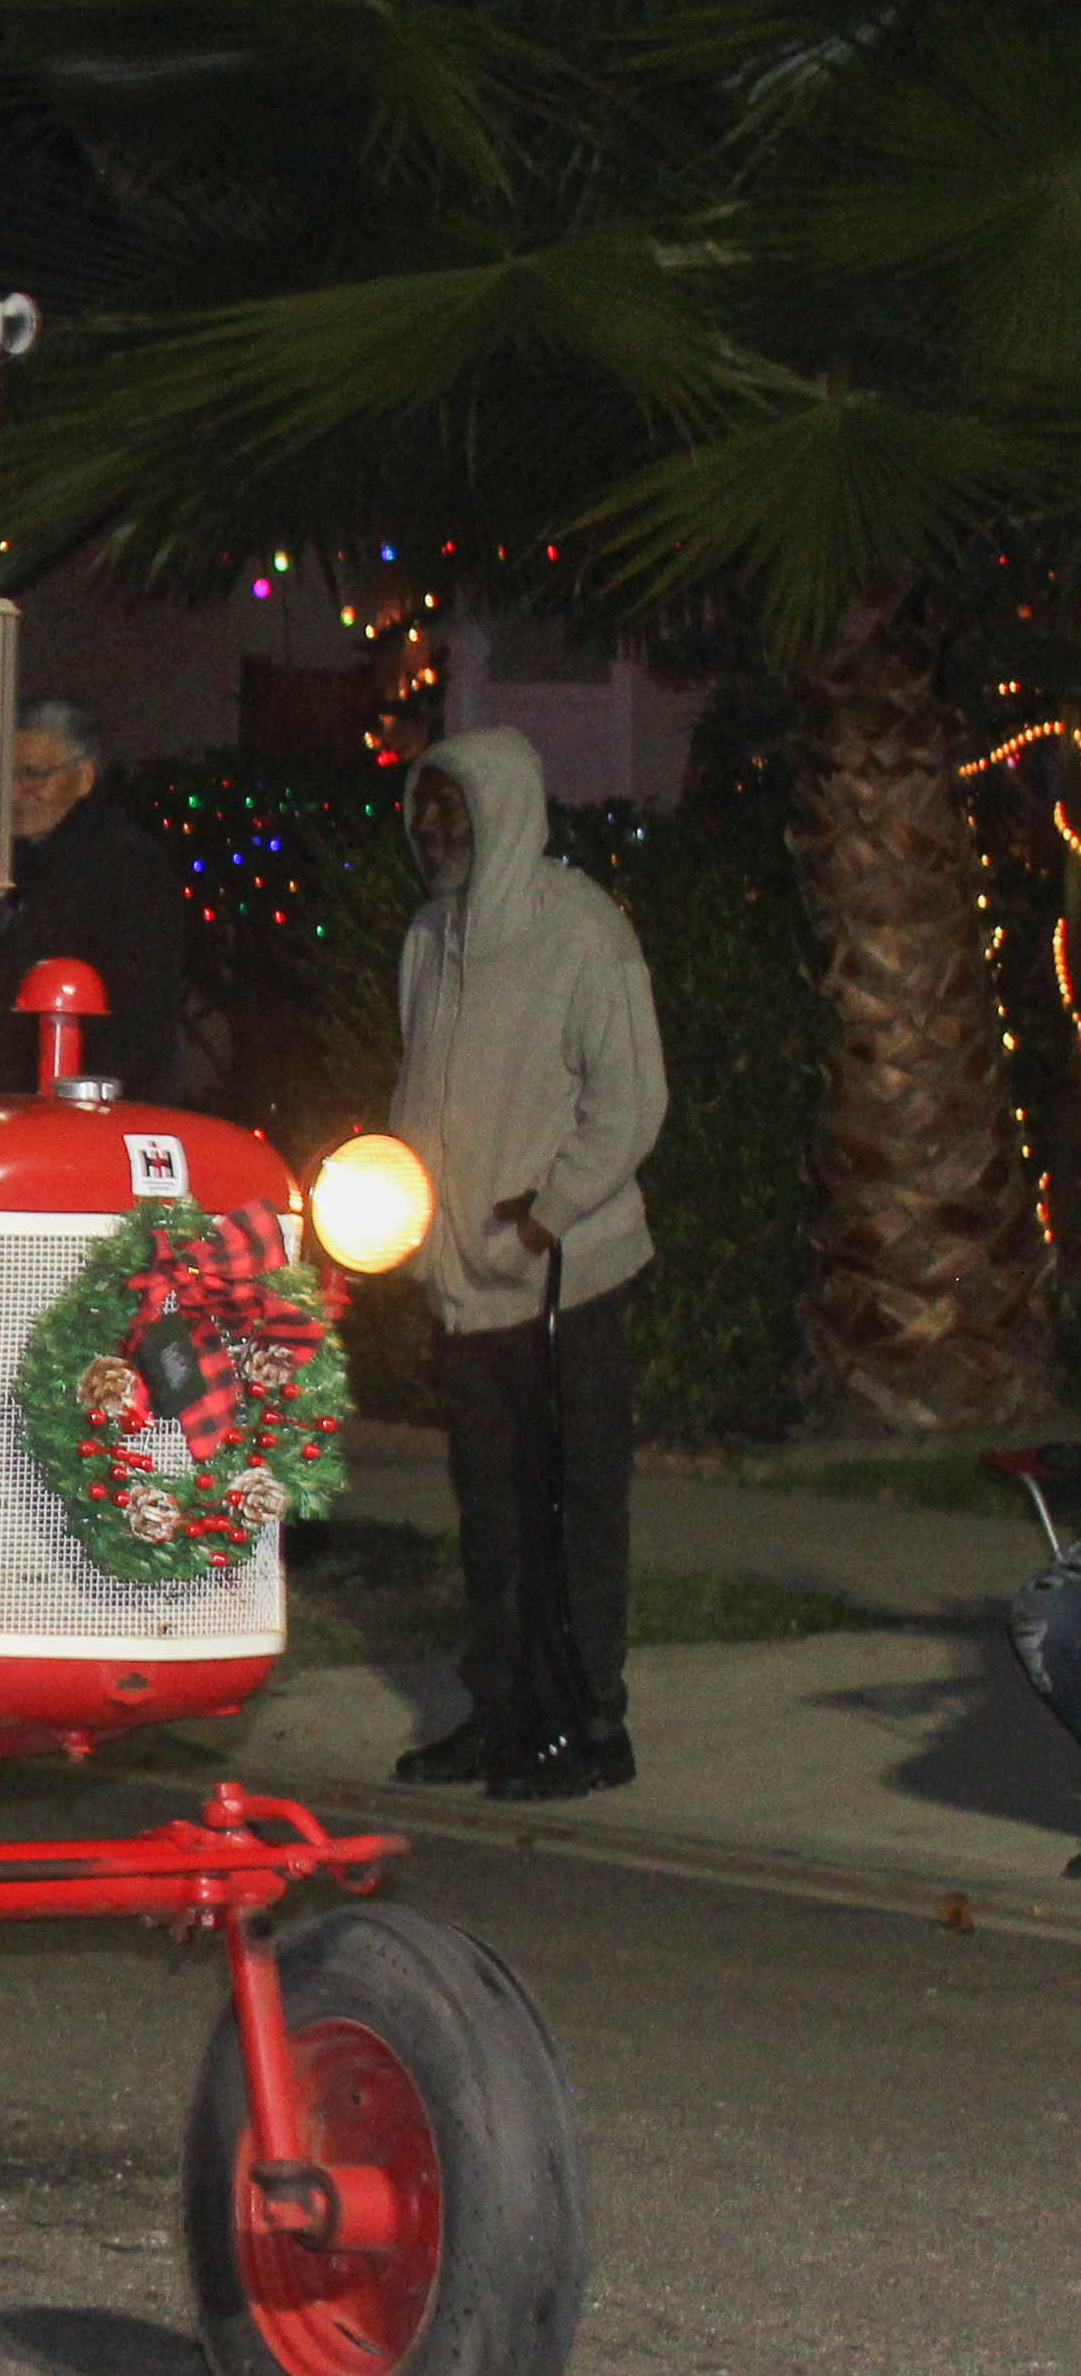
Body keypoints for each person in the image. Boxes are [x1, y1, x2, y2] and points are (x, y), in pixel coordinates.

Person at [385, 725, 665, 1805]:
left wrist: (547, 1213)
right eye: (421, 809)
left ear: (504, 810)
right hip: (463, 1282)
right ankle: (500, 1711)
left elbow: (630, 1099)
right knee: (491, 1509)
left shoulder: (580, 934)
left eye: (452, 809)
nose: (433, 831)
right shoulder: (428, 937)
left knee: (572, 1504)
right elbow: (418, 1087)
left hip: (563, 1278)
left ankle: (586, 1721)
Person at [0, 698, 188, 1100]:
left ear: (83, 777)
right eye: (8, 775)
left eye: (33, 774)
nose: (17, 792)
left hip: (96, 1117)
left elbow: (139, 1018)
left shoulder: (126, 867)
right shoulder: (22, 868)